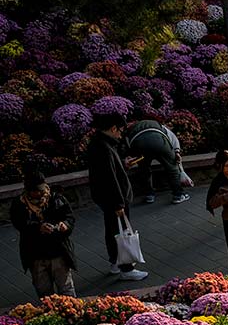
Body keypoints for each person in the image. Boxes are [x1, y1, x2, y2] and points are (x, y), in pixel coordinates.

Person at [87, 112, 147, 281]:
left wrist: (122, 163)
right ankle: (126, 268)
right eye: (120, 130)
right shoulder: (104, 148)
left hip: (106, 198)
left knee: (113, 231)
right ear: (113, 128)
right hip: (114, 199)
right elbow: (109, 178)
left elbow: (109, 170)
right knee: (121, 233)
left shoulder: (98, 144)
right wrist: (118, 204)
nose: (121, 134)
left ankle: (115, 262)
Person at [9, 171, 76, 297]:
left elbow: (70, 217)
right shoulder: (19, 204)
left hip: (58, 251)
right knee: (45, 294)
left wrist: (65, 225)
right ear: (27, 190)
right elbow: (20, 224)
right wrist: (38, 228)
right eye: (34, 191)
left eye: (40, 190)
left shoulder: (56, 198)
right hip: (36, 255)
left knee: (67, 290)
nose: (38, 193)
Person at [124, 119, 190, 205]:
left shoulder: (129, 130)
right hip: (160, 142)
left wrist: (130, 157)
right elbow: (173, 138)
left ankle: (149, 195)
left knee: (144, 169)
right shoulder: (158, 125)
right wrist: (177, 152)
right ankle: (178, 195)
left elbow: (128, 147)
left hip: (139, 145)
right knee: (172, 168)